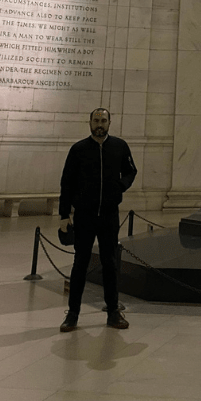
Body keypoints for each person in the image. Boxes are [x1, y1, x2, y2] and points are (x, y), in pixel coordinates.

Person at [58, 108, 137, 332]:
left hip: (109, 215)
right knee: (80, 264)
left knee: (110, 263)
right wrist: (64, 214)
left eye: (103, 120)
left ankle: (113, 311)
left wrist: (120, 186)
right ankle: (73, 314)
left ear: (110, 123)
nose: (99, 124)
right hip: (84, 215)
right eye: (96, 120)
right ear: (90, 123)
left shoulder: (120, 146)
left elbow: (131, 171)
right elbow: (66, 183)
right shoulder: (78, 149)